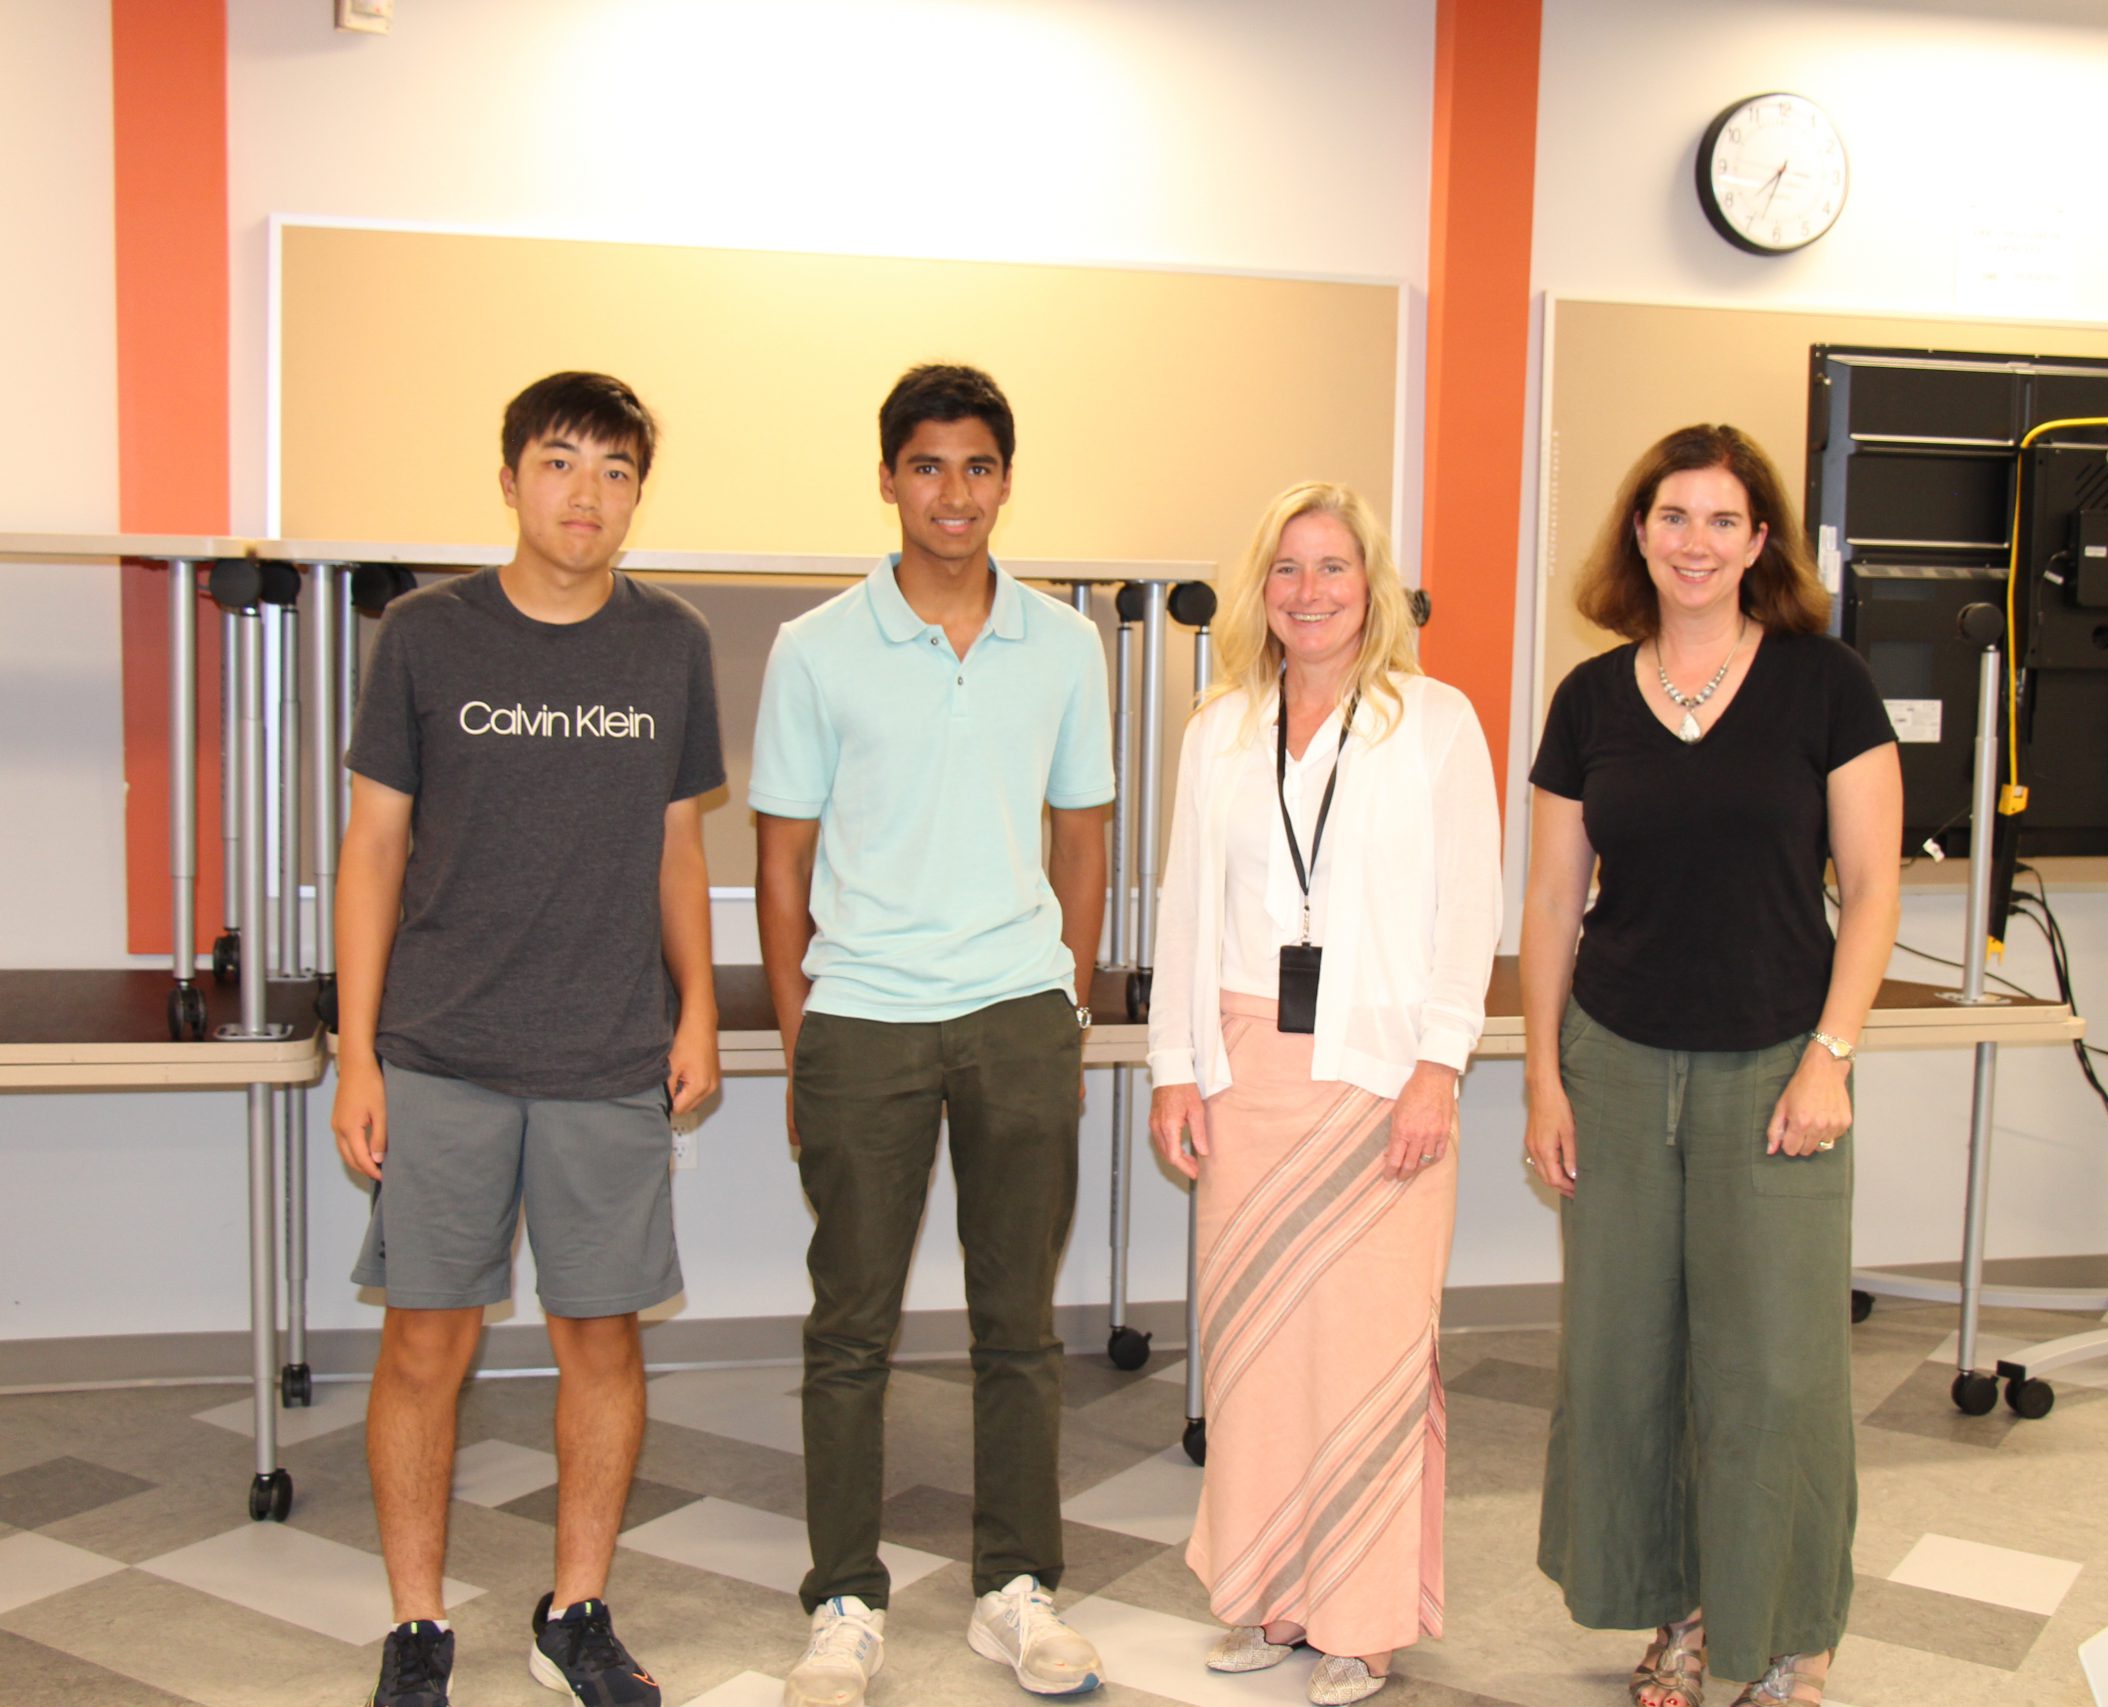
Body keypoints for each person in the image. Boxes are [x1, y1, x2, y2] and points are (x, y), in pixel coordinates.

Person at [333, 371, 724, 1707]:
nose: (587, 495)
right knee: (423, 1344)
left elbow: (680, 843)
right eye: (561, 463)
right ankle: (418, 1624)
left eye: (616, 472)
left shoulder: (670, 642)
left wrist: (702, 1009)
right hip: (440, 1049)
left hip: (607, 1052)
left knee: (601, 1340)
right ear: (509, 479)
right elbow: (373, 845)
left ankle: (577, 1607)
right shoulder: (426, 634)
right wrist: (357, 1052)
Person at [1518, 424, 1901, 1707]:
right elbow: (1552, 901)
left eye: (1722, 521)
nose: (1695, 542)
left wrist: (1830, 1057)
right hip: (1617, 1064)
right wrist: (1542, 1079)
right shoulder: (1587, 700)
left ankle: (1786, 1635)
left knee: (1775, 1366)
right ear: (1638, 532)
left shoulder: (1824, 684)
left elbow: (1874, 887)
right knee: (1627, 1359)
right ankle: (1680, 1616)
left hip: (1774, 1067)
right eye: (1672, 517)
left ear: (1759, 542)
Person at [752, 363, 1114, 1707]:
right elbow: (781, 862)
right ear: (890, 477)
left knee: (1019, 1326)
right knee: (849, 1329)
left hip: (1018, 1013)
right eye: (926, 465)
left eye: (976, 466)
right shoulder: (816, 648)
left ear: (1006, 479)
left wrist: (1065, 996)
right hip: (862, 1020)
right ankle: (844, 1600)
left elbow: (1083, 832)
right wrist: (802, 1036)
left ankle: (1016, 1585)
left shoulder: (1067, 644)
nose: (951, 493)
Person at [1146, 481, 1502, 1706]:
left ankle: (1359, 1620)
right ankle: (1265, 1593)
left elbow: (1471, 914)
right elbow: (1186, 908)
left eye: (1334, 568)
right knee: (1252, 1354)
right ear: (1262, 590)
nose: (1310, 591)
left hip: (1382, 1075)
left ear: (1375, 586)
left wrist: (1436, 1069)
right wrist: (1175, 1069)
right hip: (1249, 1074)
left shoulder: (1436, 723)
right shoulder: (1219, 730)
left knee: (1368, 1359)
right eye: (1287, 569)